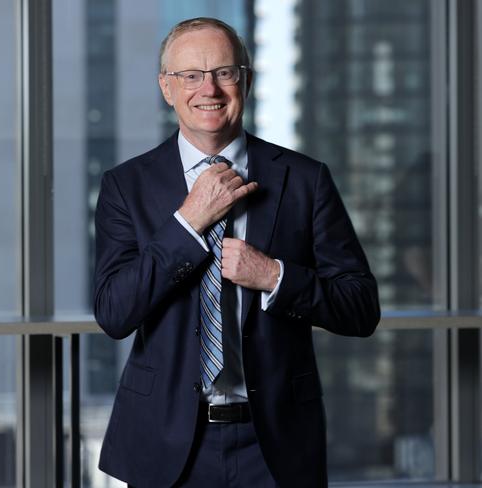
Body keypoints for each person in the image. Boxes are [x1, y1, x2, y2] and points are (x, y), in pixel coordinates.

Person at [93, 17, 380, 488]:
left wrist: (274, 277)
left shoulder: (305, 181)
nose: (209, 88)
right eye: (190, 75)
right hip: (166, 443)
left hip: (275, 443)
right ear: (167, 88)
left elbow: (361, 308)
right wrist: (189, 223)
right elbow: (114, 312)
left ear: (245, 81)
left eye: (224, 72)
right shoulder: (127, 187)